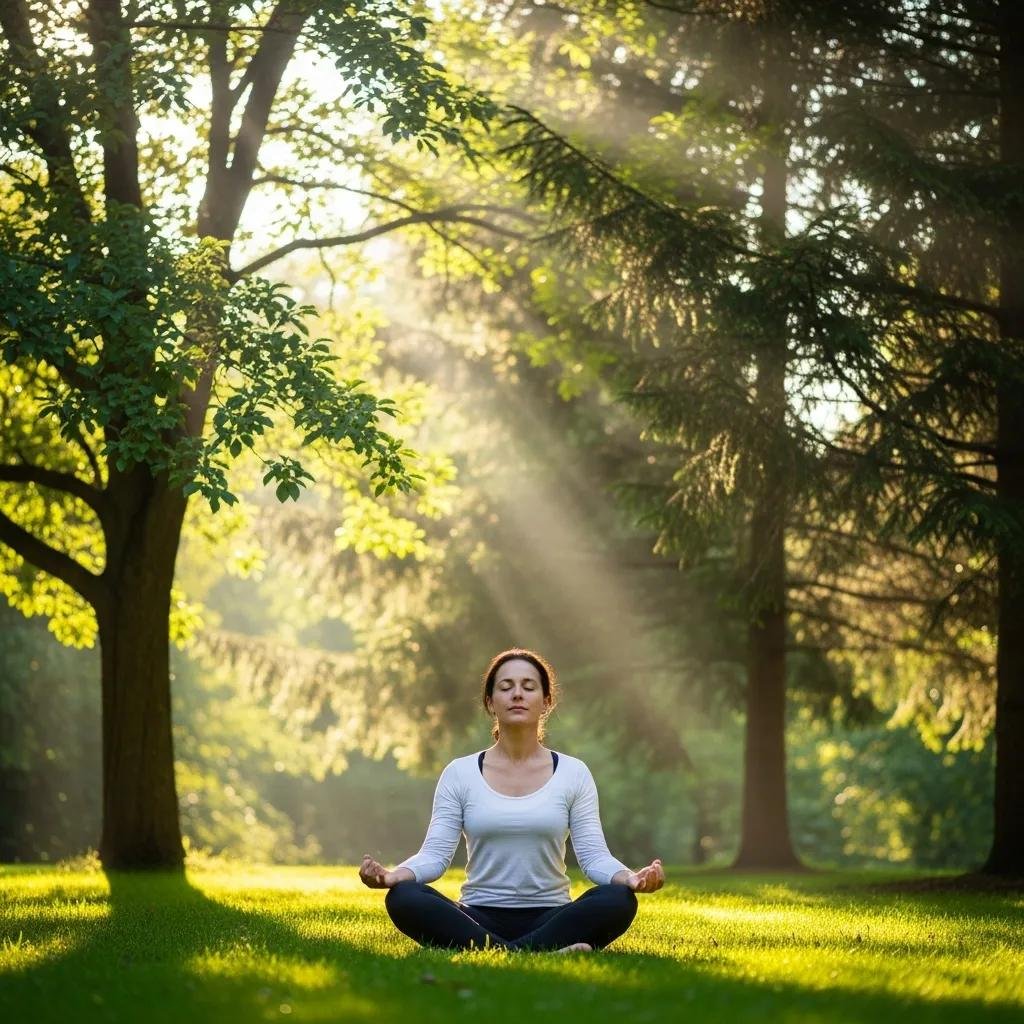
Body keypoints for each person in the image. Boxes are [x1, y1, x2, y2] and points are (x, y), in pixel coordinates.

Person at [359, 647, 665, 953]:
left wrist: (630, 878)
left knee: (618, 899)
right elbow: (435, 856)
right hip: (477, 916)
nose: (517, 694)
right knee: (404, 897)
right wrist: (393, 875)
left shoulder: (574, 773)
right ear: (491, 702)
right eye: (506, 688)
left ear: (546, 702)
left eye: (528, 687)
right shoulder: (459, 773)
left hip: (552, 915)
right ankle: (543, 952)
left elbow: (594, 858)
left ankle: (489, 951)